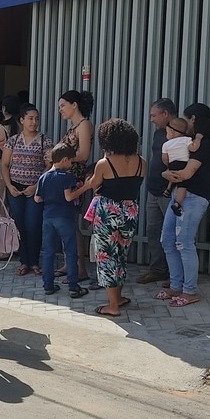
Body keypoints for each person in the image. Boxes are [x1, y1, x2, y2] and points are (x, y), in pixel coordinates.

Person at [69, 119, 145, 317]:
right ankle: (118, 297)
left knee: (106, 258)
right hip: (130, 211)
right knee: (120, 256)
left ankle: (112, 306)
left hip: (108, 213)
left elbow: (94, 184)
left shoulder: (105, 163)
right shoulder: (142, 162)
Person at [157, 103, 210, 308]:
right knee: (167, 240)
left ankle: (189, 291)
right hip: (180, 195)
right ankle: (176, 286)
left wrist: (165, 174)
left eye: (187, 118)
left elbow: (185, 174)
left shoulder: (206, 145)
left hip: (194, 198)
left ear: (194, 119)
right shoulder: (189, 142)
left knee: (184, 242)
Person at [1, 103, 54, 277]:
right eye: (30, 118)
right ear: (22, 120)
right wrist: (9, 186)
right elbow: (5, 165)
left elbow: (49, 165)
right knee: (19, 225)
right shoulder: (13, 140)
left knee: (33, 225)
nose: (34, 122)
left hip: (35, 189)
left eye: (36, 118)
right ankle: (24, 261)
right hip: (15, 188)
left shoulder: (45, 141)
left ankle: (34, 261)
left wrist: (36, 186)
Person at [36, 143, 89, 298]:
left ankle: (48, 285)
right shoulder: (67, 177)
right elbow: (69, 196)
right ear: (65, 159)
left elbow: (37, 198)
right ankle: (73, 286)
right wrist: (85, 187)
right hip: (64, 217)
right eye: (71, 161)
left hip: (48, 218)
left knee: (48, 252)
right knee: (71, 251)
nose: (71, 165)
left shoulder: (43, 177)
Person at [137, 98, 178, 284]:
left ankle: (176, 274)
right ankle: (157, 270)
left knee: (172, 234)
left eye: (154, 115)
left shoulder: (179, 134)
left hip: (169, 192)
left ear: (165, 114)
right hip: (153, 190)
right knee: (153, 231)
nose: (151, 119)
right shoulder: (158, 133)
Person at [56, 90, 94, 282]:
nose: (60, 109)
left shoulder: (84, 125)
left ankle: (79, 268)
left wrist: (59, 158)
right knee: (65, 224)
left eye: (63, 105)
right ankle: (68, 263)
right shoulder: (73, 127)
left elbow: (84, 154)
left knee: (70, 224)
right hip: (65, 178)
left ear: (74, 105)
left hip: (74, 179)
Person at [160, 117, 201, 215]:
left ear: (172, 132)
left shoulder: (166, 144)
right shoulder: (187, 139)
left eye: (167, 132)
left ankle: (168, 189)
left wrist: (168, 165)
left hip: (172, 163)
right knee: (182, 185)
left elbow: (164, 158)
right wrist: (198, 139)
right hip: (183, 164)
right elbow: (193, 149)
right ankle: (178, 203)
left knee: (172, 175)